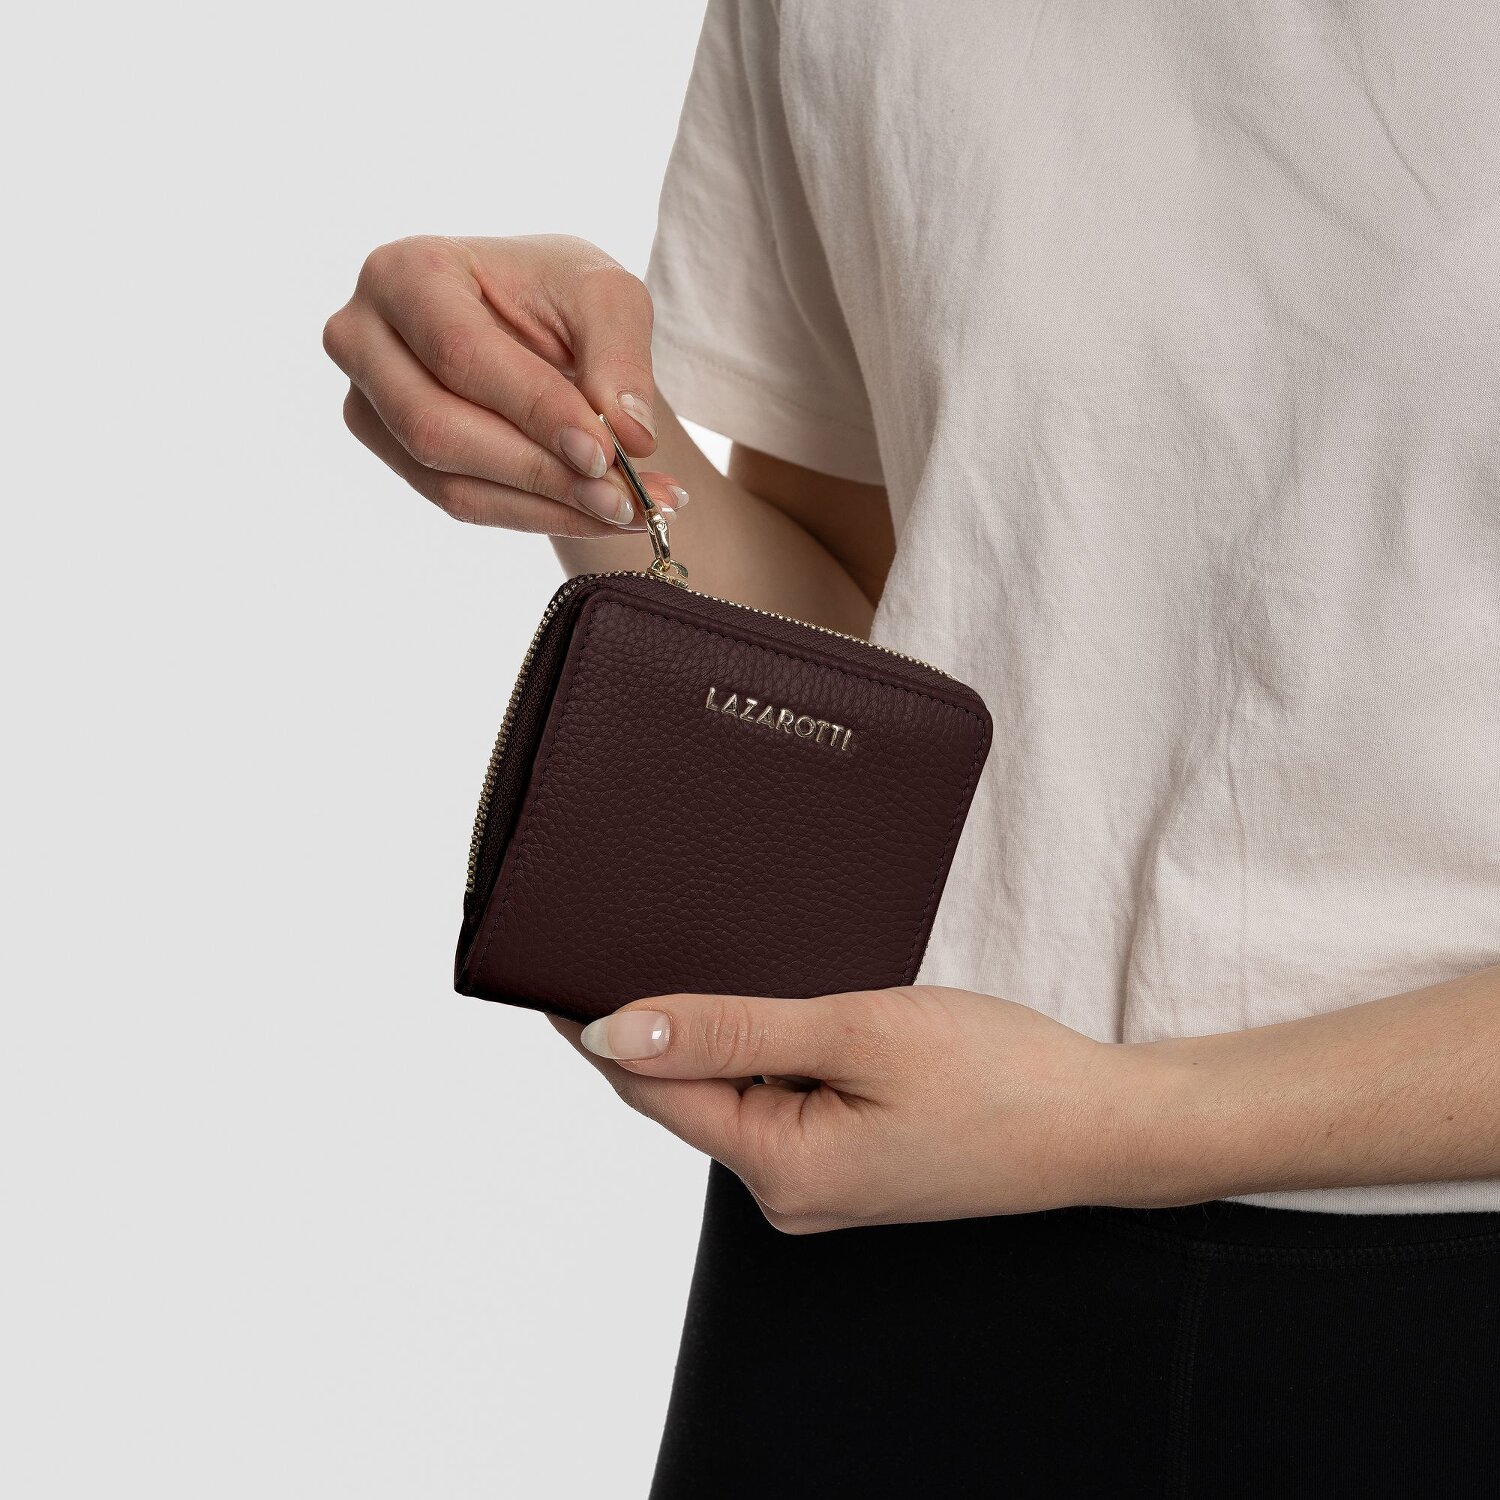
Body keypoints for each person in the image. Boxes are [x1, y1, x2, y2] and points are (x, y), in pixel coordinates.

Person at [324, 3, 1500, 1493]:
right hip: (870, 1239)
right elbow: (891, 648)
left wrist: (1120, 1126)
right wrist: (590, 453)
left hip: (1441, 1303)